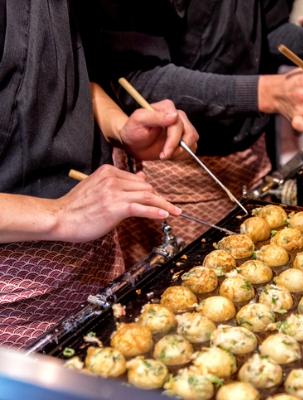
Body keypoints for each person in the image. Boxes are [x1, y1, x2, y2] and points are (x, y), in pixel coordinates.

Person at [83, 0, 303, 264]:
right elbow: (136, 76)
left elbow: (268, 32)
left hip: (250, 153)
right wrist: (265, 93)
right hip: (173, 163)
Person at [0, 0, 198, 349]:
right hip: (16, 301)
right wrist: (58, 214)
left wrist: (121, 127)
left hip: (94, 264)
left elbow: (65, 77)